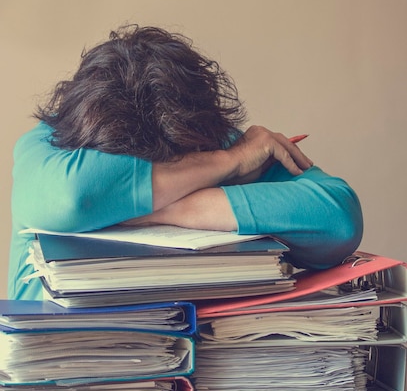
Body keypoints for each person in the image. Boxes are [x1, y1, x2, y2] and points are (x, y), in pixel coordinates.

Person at [9, 25, 363, 301]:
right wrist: (227, 162)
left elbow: (338, 220)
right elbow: (72, 197)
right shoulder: (50, 141)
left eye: (177, 162)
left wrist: (153, 208)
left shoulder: (213, 140)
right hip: (55, 376)